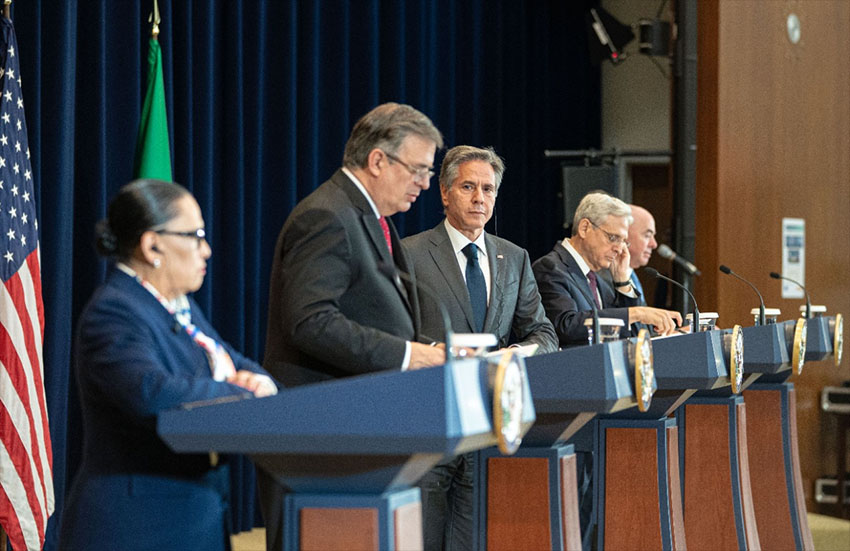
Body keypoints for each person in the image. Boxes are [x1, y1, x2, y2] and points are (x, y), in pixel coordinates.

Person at [260, 102, 446, 550]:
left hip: (364, 430)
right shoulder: (327, 216)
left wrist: (427, 349)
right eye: (418, 169)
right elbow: (310, 321)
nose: (424, 183)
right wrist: (408, 355)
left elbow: (373, 314)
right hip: (322, 435)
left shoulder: (369, 219)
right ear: (378, 160)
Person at [58, 180, 277, 551]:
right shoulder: (114, 311)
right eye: (196, 236)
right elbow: (152, 393)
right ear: (152, 244)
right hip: (138, 527)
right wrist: (242, 392)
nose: (206, 250)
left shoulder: (179, 306)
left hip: (193, 520)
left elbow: (236, 362)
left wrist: (260, 383)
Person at [402, 145, 558, 550]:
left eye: (488, 189)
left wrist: (516, 356)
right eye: (468, 186)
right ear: (444, 192)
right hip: (430, 421)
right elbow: (393, 334)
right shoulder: (409, 254)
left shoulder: (515, 258)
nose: (479, 198)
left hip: (492, 425)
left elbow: (543, 334)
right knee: (424, 539)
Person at [532, 192, 681, 348]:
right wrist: (637, 313)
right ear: (585, 228)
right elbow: (566, 325)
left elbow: (636, 332)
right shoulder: (550, 268)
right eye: (613, 238)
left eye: (623, 241)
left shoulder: (597, 281)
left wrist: (622, 281)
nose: (619, 249)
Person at [600, 204, 658, 306]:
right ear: (624, 234)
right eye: (647, 235)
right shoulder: (602, 277)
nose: (654, 244)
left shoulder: (631, 275)